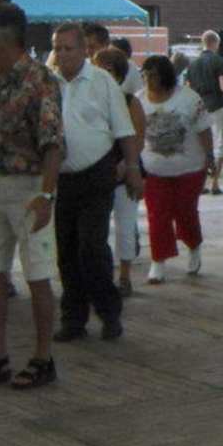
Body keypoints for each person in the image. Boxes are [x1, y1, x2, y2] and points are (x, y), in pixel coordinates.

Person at [0, 3, 65, 392]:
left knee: (37, 273)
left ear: (6, 35)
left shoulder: (39, 80)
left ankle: (42, 358)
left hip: (29, 186)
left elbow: (53, 143)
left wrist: (46, 195)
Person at [50, 23, 141, 343]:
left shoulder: (102, 82)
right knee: (66, 251)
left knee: (91, 247)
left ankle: (108, 311)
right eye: (57, 49)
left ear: (84, 50)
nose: (62, 55)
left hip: (97, 174)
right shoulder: (48, 83)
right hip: (62, 178)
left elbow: (124, 130)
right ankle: (73, 319)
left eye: (68, 48)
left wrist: (132, 168)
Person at [139, 54, 212, 283]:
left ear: (165, 76)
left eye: (153, 75)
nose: (149, 80)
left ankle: (193, 245)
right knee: (157, 215)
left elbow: (204, 129)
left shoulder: (189, 98)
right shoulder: (139, 101)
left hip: (189, 169)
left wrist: (210, 157)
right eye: (145, 75)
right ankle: (158, 261)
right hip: (154, 171)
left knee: (185, 212)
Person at [94, 47, 147, 297]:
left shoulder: (130, 101)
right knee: (97, 228)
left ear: (119, 74)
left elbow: (138, 136)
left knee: (125, 225)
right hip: (97, 171)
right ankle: (101, 275)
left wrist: (128, 163)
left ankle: (125, 276)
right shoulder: (91, 99)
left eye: (108, 69)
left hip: (124, 171)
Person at [186, 30, 223, 196]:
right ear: (216, 43)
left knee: (202, 146)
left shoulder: (193, 64)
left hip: (199, 108)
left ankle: (202, 183)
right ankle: (215, 183)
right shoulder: (219, 61)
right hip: (217, 106)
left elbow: (189, 89)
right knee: (221, 145)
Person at [84, 22, 140, 96]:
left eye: (92, 47)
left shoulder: (129, 66)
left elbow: (139, 95)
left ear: (106, 44)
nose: (87, 51)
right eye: (85, 46)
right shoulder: (82, 68)